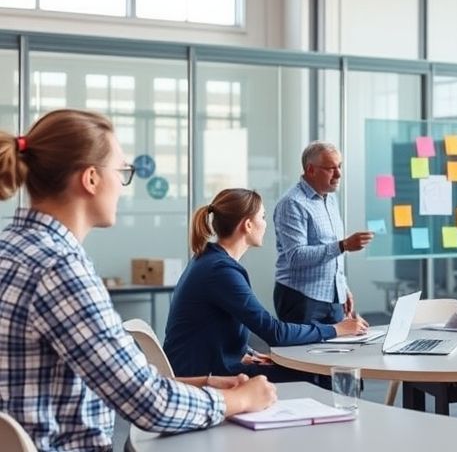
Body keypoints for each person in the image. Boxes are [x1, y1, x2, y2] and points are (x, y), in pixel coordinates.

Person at [0, 109, 276, 451]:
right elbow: (149, 405)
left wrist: (205, 384)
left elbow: (116, 379)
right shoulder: (60, 269)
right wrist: (240, 400)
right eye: (122, 171)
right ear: (90, 179)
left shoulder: (10, 250)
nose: (123, 185)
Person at [163, 188, 369, 386]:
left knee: (310, 371)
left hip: (203, 365)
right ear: (248, 225)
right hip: (204, 375)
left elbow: (212, 325)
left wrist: (247, 353)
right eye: (262, 217)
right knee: (321, 376)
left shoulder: (209, 260)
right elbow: (274, 332)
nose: (265, 224)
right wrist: (337, 329)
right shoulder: (220, 270)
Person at [273, 141, 373, 328]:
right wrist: (343, 246)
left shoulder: (330, 199)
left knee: (338, 354)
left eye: (340, 166)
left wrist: (342, 288)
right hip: (301, 299)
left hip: (332, 297)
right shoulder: (292, 203)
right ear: (311, 170)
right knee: (301, 356)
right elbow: (296, 257)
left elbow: (331, 252)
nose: (339, 174)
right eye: (331, 168)